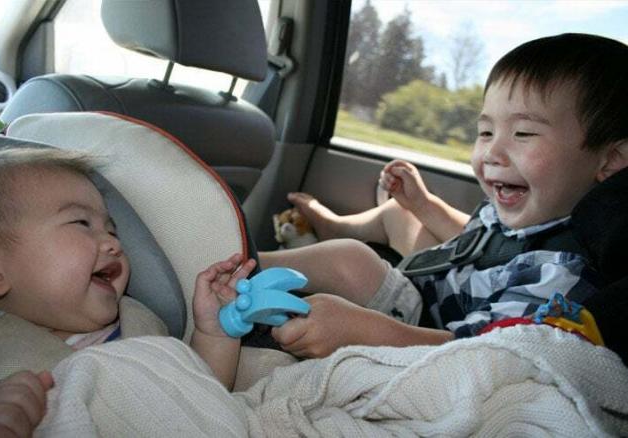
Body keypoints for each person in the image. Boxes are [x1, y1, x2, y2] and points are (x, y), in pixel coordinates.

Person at [262, 33, 628, 359]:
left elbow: (481, 356)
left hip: (424, 331)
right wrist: (422, 203)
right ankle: (310, 234)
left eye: (523, 134)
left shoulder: (559, 279)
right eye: (485, 132)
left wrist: (368, 333)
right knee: (396, 214)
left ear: (610, 160)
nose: (491, 152)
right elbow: (475, 240)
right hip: (435, 289)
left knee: (351, 260)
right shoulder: (528, 209)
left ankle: (245, 260)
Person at [0, 147, 256, 435]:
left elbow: (202, 398)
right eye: (81, 223)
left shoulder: (139, 330)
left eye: (111, 230)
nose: (114, 243)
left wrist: (215, 332)